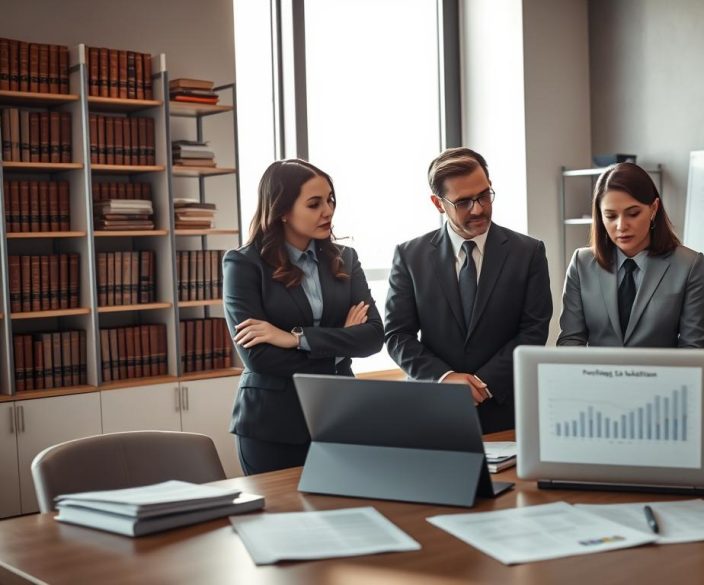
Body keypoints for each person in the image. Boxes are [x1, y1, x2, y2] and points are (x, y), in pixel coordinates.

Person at [223, 159, 383, 475]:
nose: (328, 211)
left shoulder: (345, 259)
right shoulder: (244, 265)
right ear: (282, 210)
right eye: (314, 204)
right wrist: (341, 345)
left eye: (330, 200)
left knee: (346, 504)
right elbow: (259, 358)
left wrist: (295, 339)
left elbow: (374, 336)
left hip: (341, 415)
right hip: (273, 426)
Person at [384, 147, 552, 433]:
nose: (478, 208)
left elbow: (533, 331)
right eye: (463, 202)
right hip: (432, 408)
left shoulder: (529, 252)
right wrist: (445, 377)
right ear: (438, 204)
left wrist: (482, 384)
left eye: (484, 195)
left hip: (505, 410)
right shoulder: (410, 255)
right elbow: (398, 335)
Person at [557, 162, 704, 347]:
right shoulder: (581, 263)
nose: (621, 226)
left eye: (633, 213)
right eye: (611, 216)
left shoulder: (688, 265)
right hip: (595, 367)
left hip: (663, 368)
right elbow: (570, 340)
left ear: (653, 208)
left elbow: (693, 348)